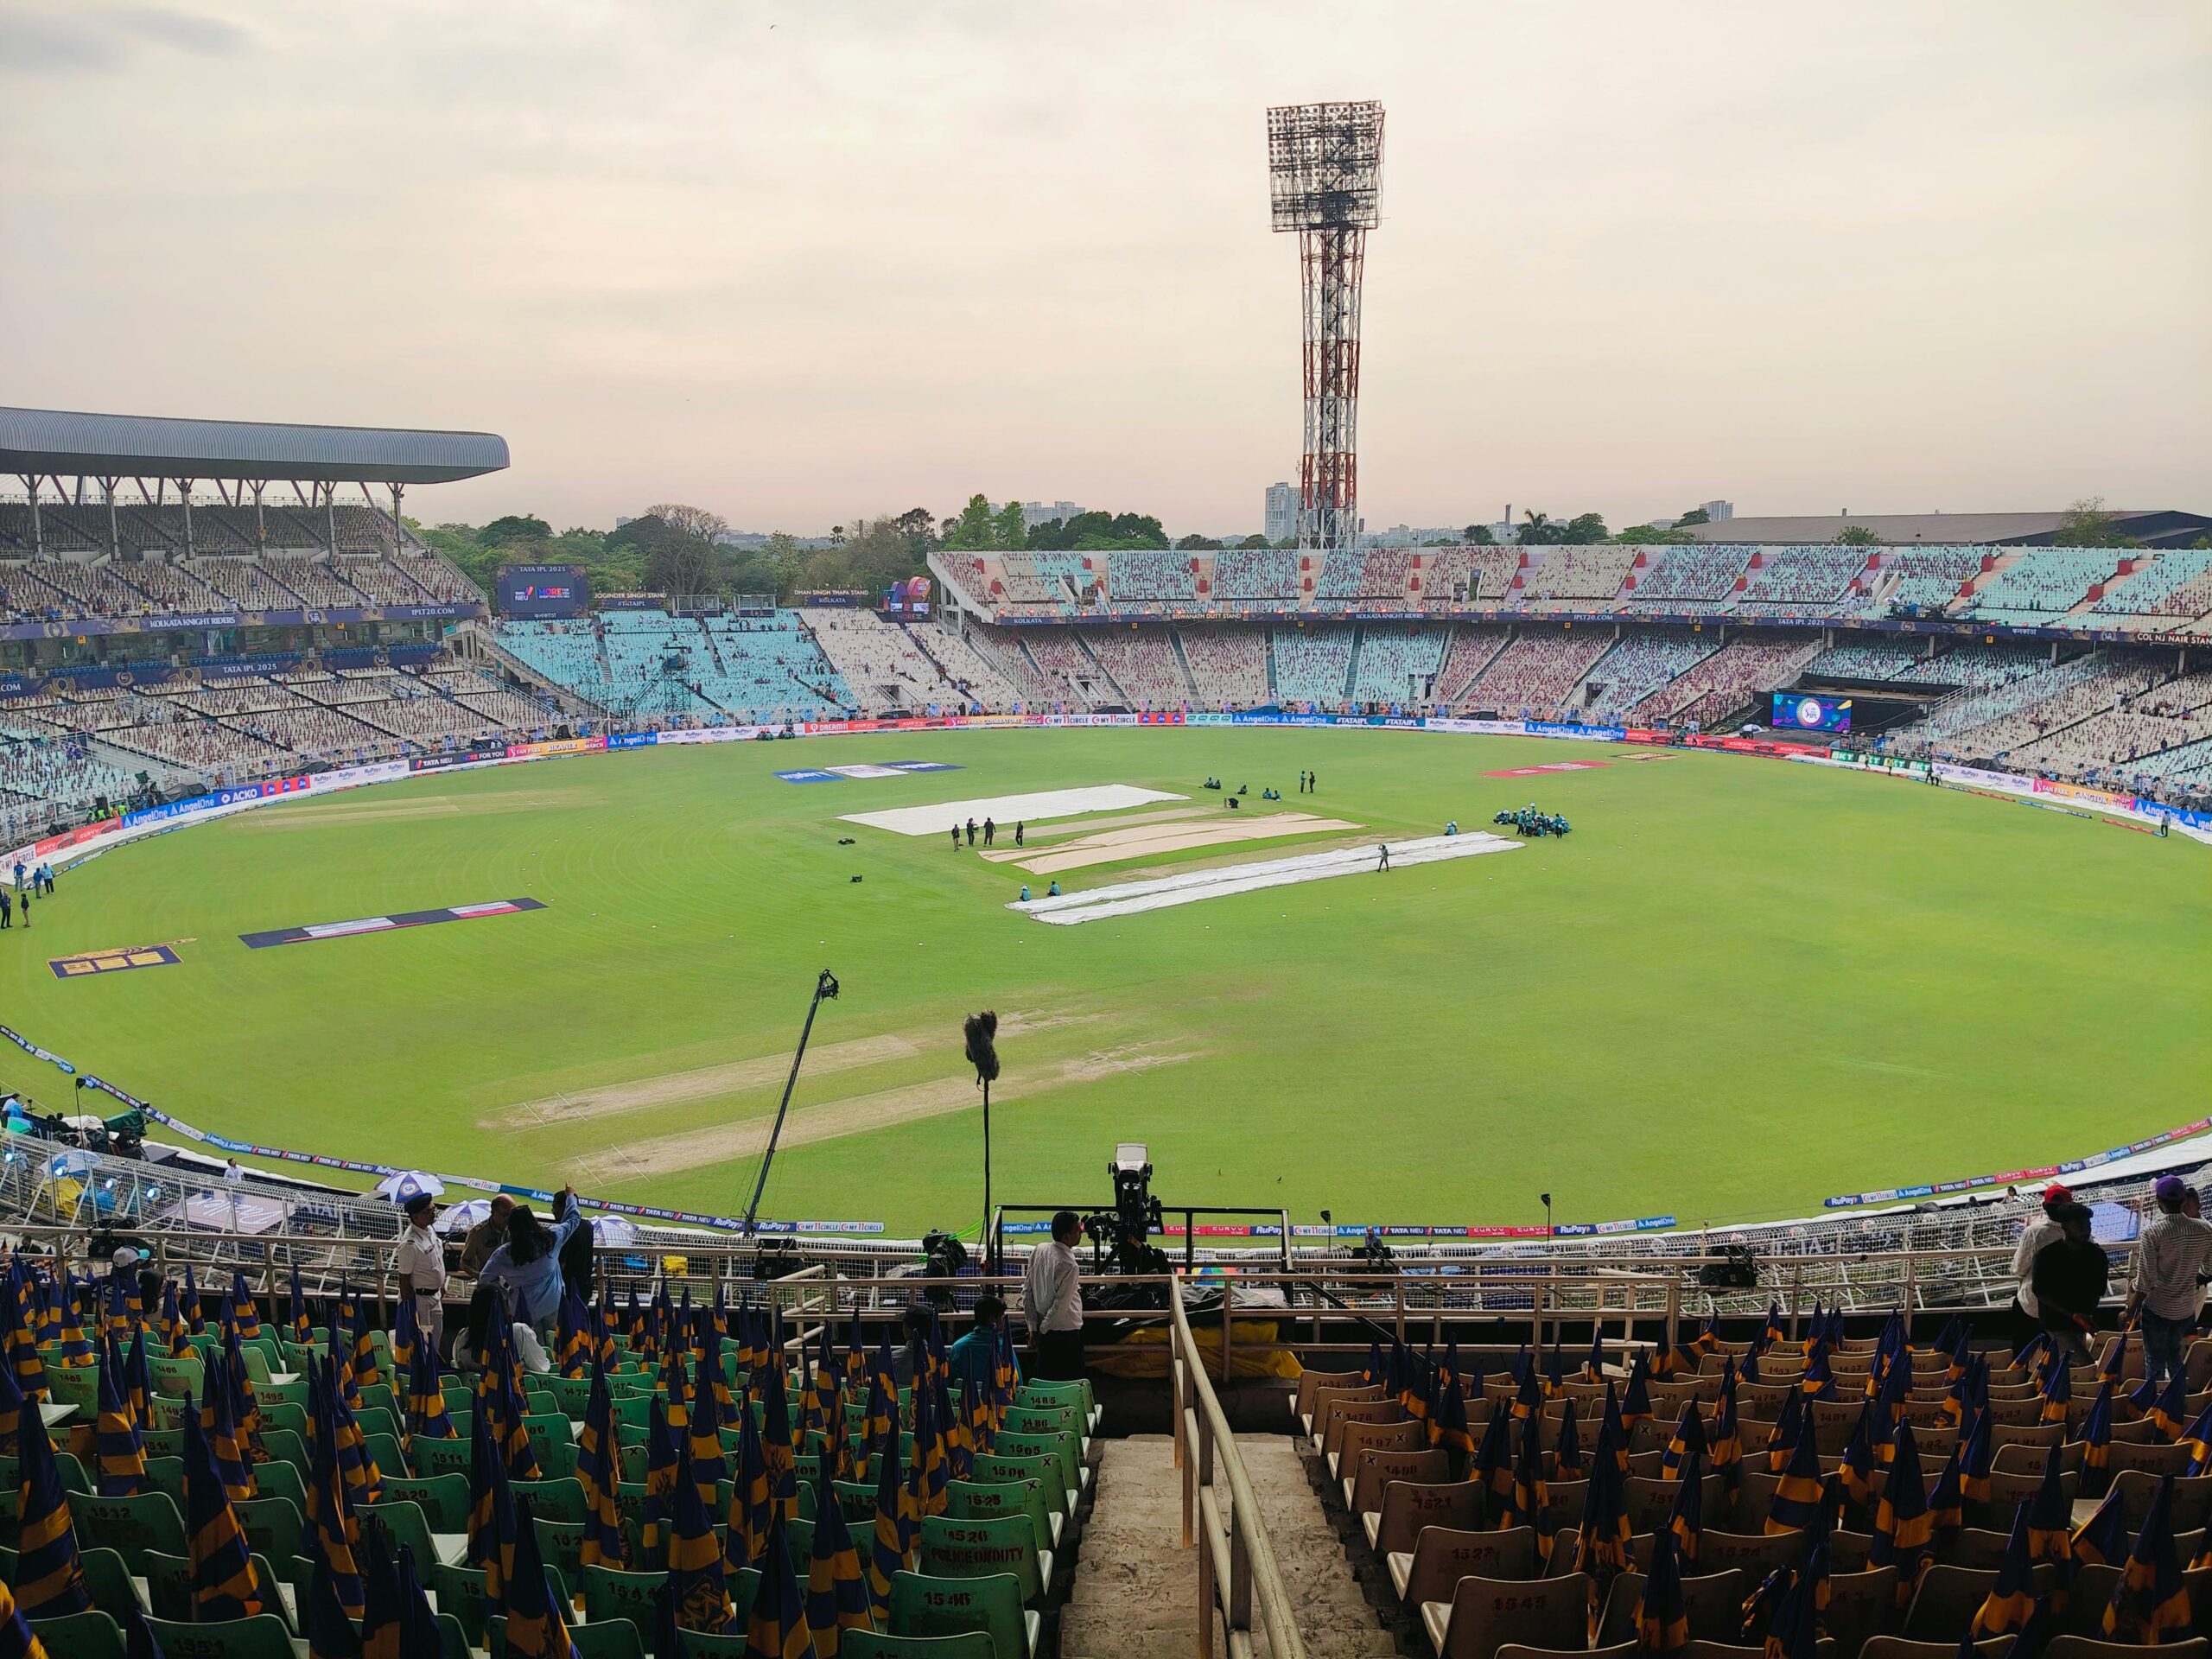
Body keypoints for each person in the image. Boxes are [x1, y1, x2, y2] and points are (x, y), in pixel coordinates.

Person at [2125, 1174, 2212, 1390]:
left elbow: (2145, 1281)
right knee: (2175, 1357)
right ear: (2184, 1200)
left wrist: (2129, 1310)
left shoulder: (2152, 1232)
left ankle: (2155, 1409)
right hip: (2185, 1309)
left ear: (2158, 1201)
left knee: (2154, 1362)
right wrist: (2188, 1278)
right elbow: (2209, 1268)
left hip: (2158, 1309)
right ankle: (2177, 1405)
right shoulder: (2205, 1229)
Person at [477, 1186, 587, 1332]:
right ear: (533, 1221)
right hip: (554, 1306)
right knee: (557, 1349)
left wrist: (506, 1294)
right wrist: (571, 1197)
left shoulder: (503, 1254)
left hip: (524, 1311)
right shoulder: (551, 1238)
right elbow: (574, 1218)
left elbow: (485, 1279)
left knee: (531, 1351)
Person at [2030, 1201, 2107, 1365]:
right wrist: (2073, 1315)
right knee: (2085, 1366)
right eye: (2079, 1224)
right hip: (2055, 1323)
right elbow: (2040, 1291)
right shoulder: (2045, 1257)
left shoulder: (2098, 1256)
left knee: (2067, 1365)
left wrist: (2085, 1317)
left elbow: (2097, 1290)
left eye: (2088, 1224)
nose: (2086, 1229)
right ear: (2064, 1227)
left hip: (2081, 1321)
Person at [1021, 1210, 1085, 1380]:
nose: (1081, 1232)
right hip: (1065, 1334)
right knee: (1070, 1385)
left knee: (1045, 1382)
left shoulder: (1039, 1250)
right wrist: (1040, 1331)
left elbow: (1027, 1292)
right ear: (1066, 1237)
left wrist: (1033, 1328)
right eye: (1077, 1230)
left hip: (1045, 1331)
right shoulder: (1070, 1266)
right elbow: (1060, 1306)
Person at [2010, 1183, 2071, 1336]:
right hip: (2068, 1308)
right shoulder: (2083, 1233)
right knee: (2064, 1353)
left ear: (2044, 1206)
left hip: (2033, 1306)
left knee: (2025, 1353)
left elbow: (2019, 1269)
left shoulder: (2034, 1233)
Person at [453, 1283, 552, 1376]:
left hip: (476, 1393)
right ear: (501, 1306)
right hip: (518, 1393)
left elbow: (460, 1371)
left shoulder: (461, 1339)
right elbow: (541, 1369)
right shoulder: (519, 1333)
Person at [395, 1192, 449, 1357]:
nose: (433, 1213)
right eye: (427, 1212)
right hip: (420, 1301)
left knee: (436, 1340)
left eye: (433, 1209)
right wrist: (410, 1311)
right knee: (423, 1344)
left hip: (435, 1297)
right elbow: (404, 1280)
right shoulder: (409, 1244)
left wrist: (439, 1286)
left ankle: (433, 1370)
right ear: (415, 1217)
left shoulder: (429, 1230)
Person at [947, 1294, 1012, 1396]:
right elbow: (1017, 1382)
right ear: (992, 1320)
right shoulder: (1005, 1348)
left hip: (965, 1408)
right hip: (998, 1409)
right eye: (1002, 1317)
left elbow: (950, 1383)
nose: (1004, 1322)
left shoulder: (958, 1347)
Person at [460, 1195, 516, 1276]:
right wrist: (480, 1276)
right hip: (489, 1281)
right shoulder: (478, 1233)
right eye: (505, 1214)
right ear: (493, 1212)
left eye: (512, 1214)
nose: (509, 1218)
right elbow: (464, 1262)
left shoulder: (517, 1228)